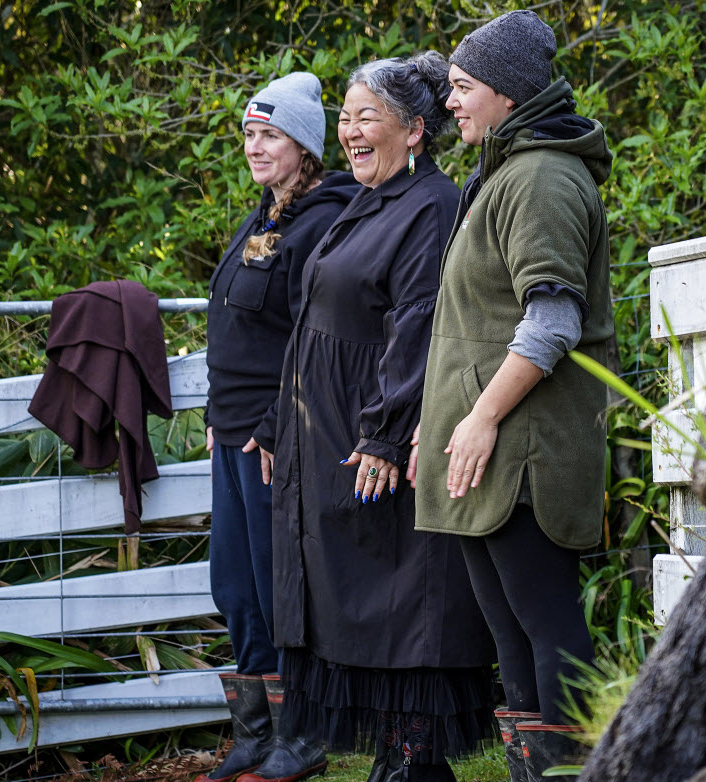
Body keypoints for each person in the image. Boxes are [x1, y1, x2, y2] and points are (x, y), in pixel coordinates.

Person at [243, 53, 496, 782]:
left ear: (413, 130)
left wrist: (384, 433)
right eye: (345, 118)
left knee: (401, 607)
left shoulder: (430, 205)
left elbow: (418, 323)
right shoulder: (367, 199)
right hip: (327, 431)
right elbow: (316, 320)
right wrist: (277, 419)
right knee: (357, 605)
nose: (350, 131)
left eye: (366, 117)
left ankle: (415, 764)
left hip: (380, 437)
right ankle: (395, 761)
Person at [410, 9, 615, 778]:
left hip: (524, 450)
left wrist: (481, 418)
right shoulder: (503, 173)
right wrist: (439, 424)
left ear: (507, 92)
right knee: (513, 635)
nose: (450, 102)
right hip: (487, 451)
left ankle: (576, 770)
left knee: (547, 626)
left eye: (462, 86)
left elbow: (553, 320)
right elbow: (476, 323)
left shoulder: (541, 178)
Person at [197, 71, 359, 782]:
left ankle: (303, 736)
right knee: (235, 588)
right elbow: (236, 326)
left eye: (270, 135)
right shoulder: (263, 215)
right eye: (248, 134)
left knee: (279, 588)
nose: (255, 147)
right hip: (231, 433)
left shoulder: (318, 220)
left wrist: (270, 424)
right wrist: (218, 416)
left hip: (276, 436)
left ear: (304, 145)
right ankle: (255, 737)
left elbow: (307, 338)